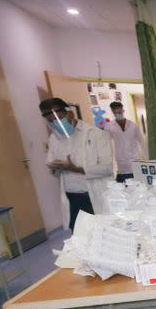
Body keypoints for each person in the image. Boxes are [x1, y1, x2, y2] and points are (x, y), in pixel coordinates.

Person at [40, 97, 114, 231]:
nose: (55, 123)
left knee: (101, 235)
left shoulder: (96, 134)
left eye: (57, 119)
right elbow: (51, 167)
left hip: (93, 196)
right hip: (71, 198)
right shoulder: (54, 138)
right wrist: (55, 167)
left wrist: (75, 168)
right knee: (79, 239)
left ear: (70, 113)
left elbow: (108, 169)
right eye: (51, 121)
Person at [105, 101, 146, 183]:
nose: (118, 114)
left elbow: (142, 142)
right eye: (115, 112)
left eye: (119, 112)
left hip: (135, 160)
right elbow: (106, 144)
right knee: (124, 186)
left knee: (138, 184)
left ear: (123, 110)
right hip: (121, 162)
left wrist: (147, 160)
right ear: (112, 112)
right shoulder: (109, 126)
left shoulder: (133, 125)